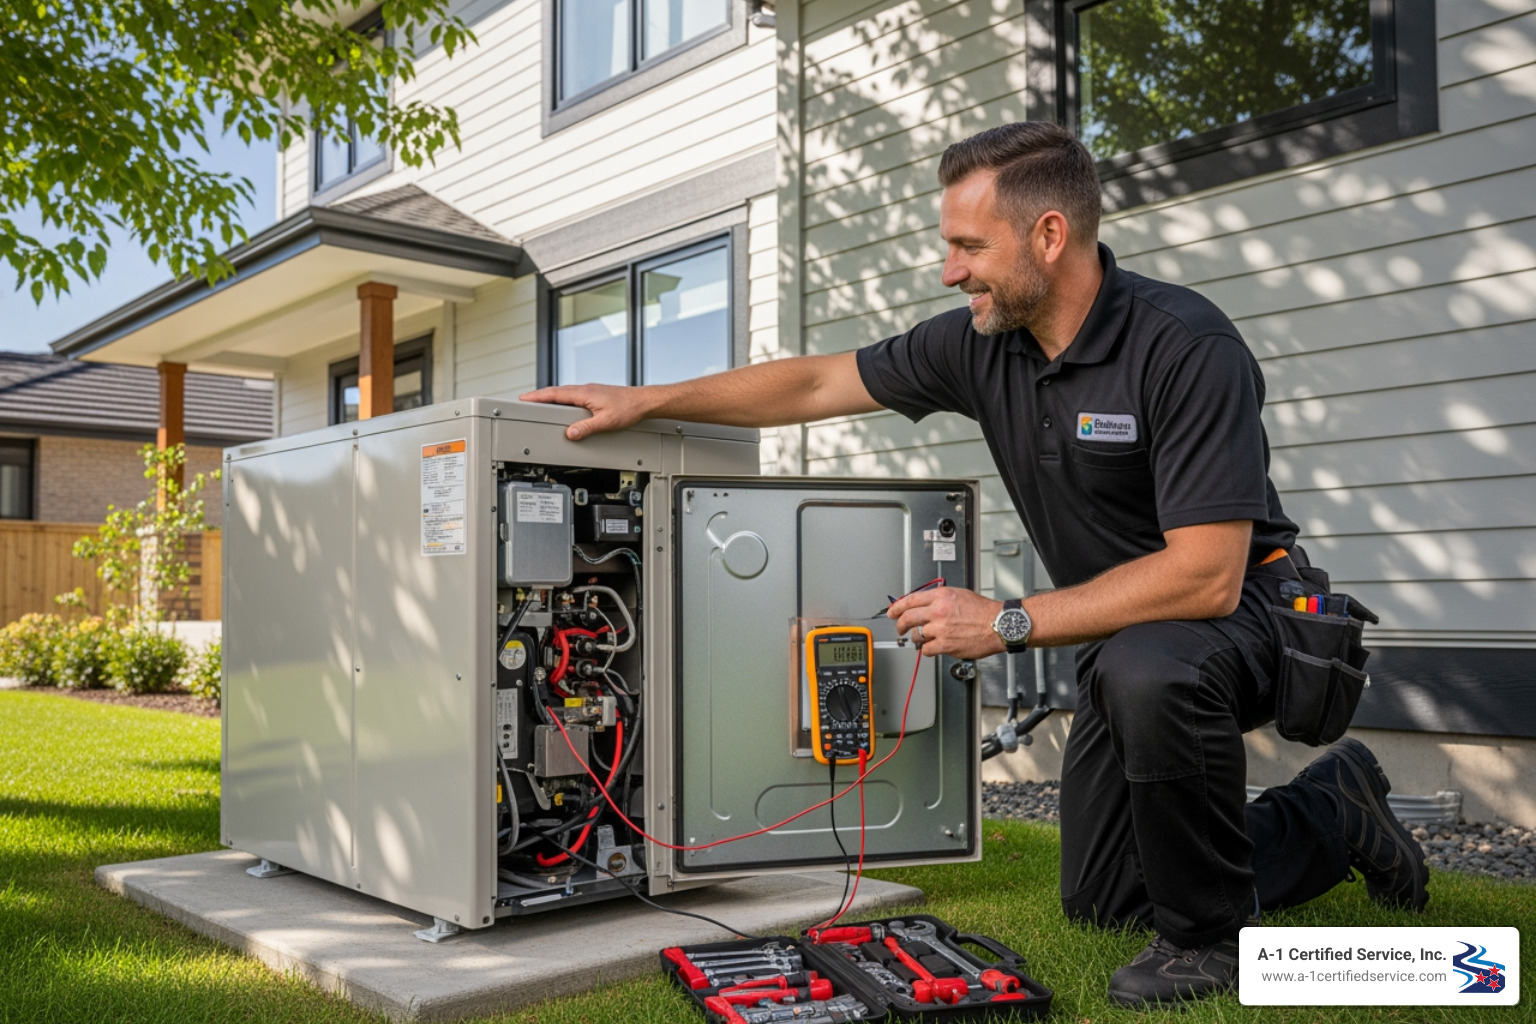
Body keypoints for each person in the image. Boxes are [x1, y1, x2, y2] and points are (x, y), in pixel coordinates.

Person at [522, 121, 1428, 1008]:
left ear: (1049, 234)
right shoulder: (980, 343)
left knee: (1154, 668)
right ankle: (1331, 813)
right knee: (1105, 899)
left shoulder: (1185, 347)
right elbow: (816, 382)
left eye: (967, 245)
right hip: (1124, 637)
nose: (951, 270)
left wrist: (1008, 622)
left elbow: (1206, 576)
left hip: (1243, 618)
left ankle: (1212, 943)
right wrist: (649, 397)